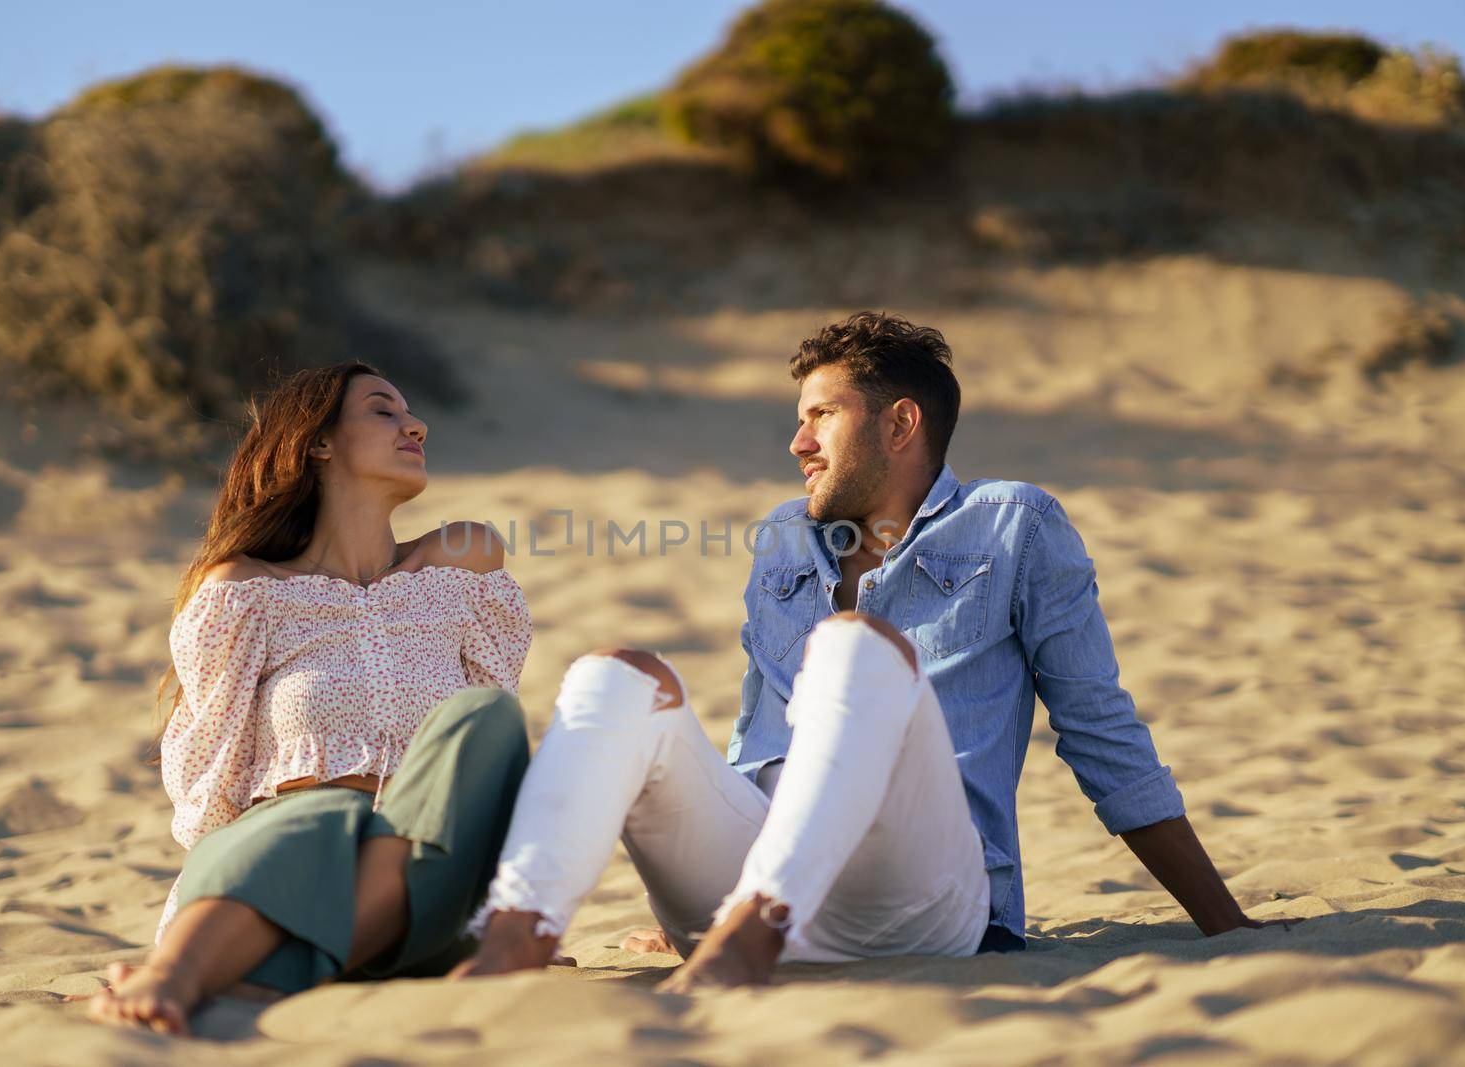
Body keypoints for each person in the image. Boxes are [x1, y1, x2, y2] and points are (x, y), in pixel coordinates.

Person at [455, 312, 1289, 989]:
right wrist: (703, 862)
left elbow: (1099, 727)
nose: (798, 443)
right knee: (615, 673)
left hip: (920, 895)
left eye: (820, 414)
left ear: (900, 422)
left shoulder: (1013, 522)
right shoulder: (784, 536)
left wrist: (1223, 921)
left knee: (855, 649)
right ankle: (513, 938)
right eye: (798, 420)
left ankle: (754, 930)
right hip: (759, 860)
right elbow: (758, 730)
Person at [87, 361, 534, 1032]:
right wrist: (217, 880)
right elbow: (210, 779)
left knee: (486, 717)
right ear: (318, 441)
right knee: (319, 815)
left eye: (411, 413)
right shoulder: (246, 589)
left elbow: (484, 765)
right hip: (278, 868)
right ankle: (181, 970)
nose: (415, 424)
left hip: (428, 877)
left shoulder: (461, 566)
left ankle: (241, 976)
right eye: (383, 410)